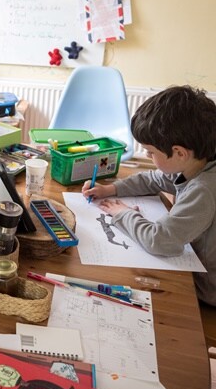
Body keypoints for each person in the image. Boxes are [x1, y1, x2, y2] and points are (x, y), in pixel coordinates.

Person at [82, 85, 216, 306]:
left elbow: (159, 241)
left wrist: (122, 212)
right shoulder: (197, 163)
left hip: (205, 290)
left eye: (151, 152)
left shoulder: (203, 189)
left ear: (180, 153)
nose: (146, 155)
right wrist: (111, 189)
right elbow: (155, 179)